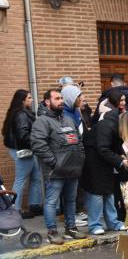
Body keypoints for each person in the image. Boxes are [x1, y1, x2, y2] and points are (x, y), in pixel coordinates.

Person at [31, 89, 86, 244]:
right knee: (51, 202)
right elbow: (38, 145)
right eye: (57, 98)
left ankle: (71, 228)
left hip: (73, 168)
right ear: (47, 102)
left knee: (70, 200)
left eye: (61, 98)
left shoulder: (68, 119)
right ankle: (52, 232)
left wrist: (80, 158)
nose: (61, 101)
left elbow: (79, 140)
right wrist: (54, 163)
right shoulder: (42, 121)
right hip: (55, 171)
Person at [81, 88, 128, 235]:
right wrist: (120, 161)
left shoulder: (114, 123)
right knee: (97, 193)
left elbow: (115, 144)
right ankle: (94, 225)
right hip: (94, 160)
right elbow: (103, 148)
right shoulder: (107, 125)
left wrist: (122, 154)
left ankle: (113, 222)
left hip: (105, 159)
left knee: (109, 192)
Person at [1, 90, 42, 218]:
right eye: (29, 98)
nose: (32, 100)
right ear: (22, 100)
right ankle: (15, 210)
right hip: (24, 150)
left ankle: (34, 205)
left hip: (25, 149)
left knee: (36, 176)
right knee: (21, 180)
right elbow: (23, 136)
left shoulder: (20, 113)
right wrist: (37, 143)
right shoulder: (21, 115)